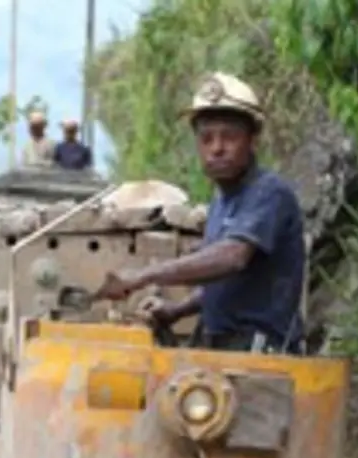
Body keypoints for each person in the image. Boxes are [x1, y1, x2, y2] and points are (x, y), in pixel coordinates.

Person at [91, 72, 306, 354]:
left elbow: (231, 259)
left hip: (262, 355)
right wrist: (177, 309)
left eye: (229, 137)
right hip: (222, 347)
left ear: (253, 141)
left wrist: (140, 276)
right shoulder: (221, 199)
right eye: (206, 139)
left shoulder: (268, 193)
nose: (217, 148)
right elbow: (228, 283)